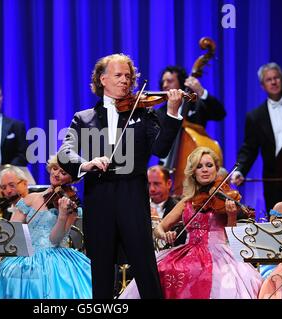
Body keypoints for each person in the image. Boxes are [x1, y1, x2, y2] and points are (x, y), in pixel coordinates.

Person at [57, 53, 184, 298]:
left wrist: (171, 112)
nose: (125, 80)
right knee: (102, 271)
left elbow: (160, 149)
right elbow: (65, 152)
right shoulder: (84, 118)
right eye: (118, 75)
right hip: (99, 197)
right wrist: (87, 164)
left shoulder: (143, 113)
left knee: (145, 268)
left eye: (128, 76)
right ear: (103, 79)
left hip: (133, 196)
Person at [120, 147, 263, 299]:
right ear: (193, 172)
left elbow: (233, 238)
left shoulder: (225, 198)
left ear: (216, 169)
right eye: (199, 167)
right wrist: (165, 235)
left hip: (219, 254)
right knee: (162, 270)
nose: (205, 170)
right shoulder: (187, 201)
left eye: (209, 165)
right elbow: (160, 228)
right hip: (188, 251)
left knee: (204, 275)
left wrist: (232, 215)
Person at [0, 156, 92, 299]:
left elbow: (54, 240)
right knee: (7, 276)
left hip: (56, 259)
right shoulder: (30, 199)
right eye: (54, 168)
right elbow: (10, 231)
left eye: (63, 172)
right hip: (25, 257)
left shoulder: (70, 205)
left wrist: (62, 215)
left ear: (71, 179)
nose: (56, 174)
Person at [231, 63, 282, 213]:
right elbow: (249, 148)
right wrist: (240, 171)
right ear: (262, 85)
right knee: (277, 223)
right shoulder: (255, 116)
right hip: (275, 179)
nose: (273, 82)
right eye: (268, 79)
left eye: (276, 78)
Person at [157, 65, 226, 128]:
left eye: (169, 81)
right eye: (163, 82)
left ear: (181, 82)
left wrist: (201, 92)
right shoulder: (160, 112)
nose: (164, 85)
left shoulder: (196, 105)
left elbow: (219, 114)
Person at [147, 165, 185, 247]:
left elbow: (180, 241)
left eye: (157, 184)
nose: (152, 189)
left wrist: (157, 222)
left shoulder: (179, 208)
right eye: (148, 184)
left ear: (168, 184)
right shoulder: (138, 207)